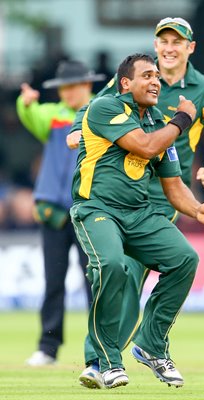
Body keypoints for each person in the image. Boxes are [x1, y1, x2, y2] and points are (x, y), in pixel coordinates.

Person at [67, 17, 204, 390]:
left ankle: (150, 345)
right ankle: (103, 361)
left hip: (146, 209)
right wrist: (180, 120)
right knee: (115, 269)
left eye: (156, 77)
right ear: (126, 83)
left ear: (191, 47)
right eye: (147, 76)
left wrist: (197, 208)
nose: (155, 80)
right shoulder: (110, 106)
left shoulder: (187, 101)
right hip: (98, 209)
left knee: (185, 259)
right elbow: (145, 145)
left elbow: (174, 184)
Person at [16, 60, 105, 366]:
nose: (68, 93)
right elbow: (31, 113)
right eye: (64, 87)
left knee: (95, 283)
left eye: (74, 86)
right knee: (54, 281)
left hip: (90, 210)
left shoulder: (101, 112)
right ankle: (48, 347)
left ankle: (99, 353)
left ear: (87, 85)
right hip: (54, 211)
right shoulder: (53, 116)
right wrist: (24, 102)